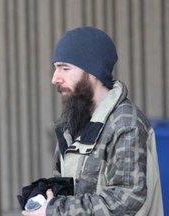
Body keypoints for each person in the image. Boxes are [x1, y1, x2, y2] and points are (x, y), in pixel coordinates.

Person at [22, 26, 163, 216]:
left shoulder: (125, 123)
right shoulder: (71, 123)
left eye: (65, 68)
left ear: (93, 72)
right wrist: (46, 196)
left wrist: (55, 210)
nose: (55, 78)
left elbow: (127, 199)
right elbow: (76, 190)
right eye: (55, 69)